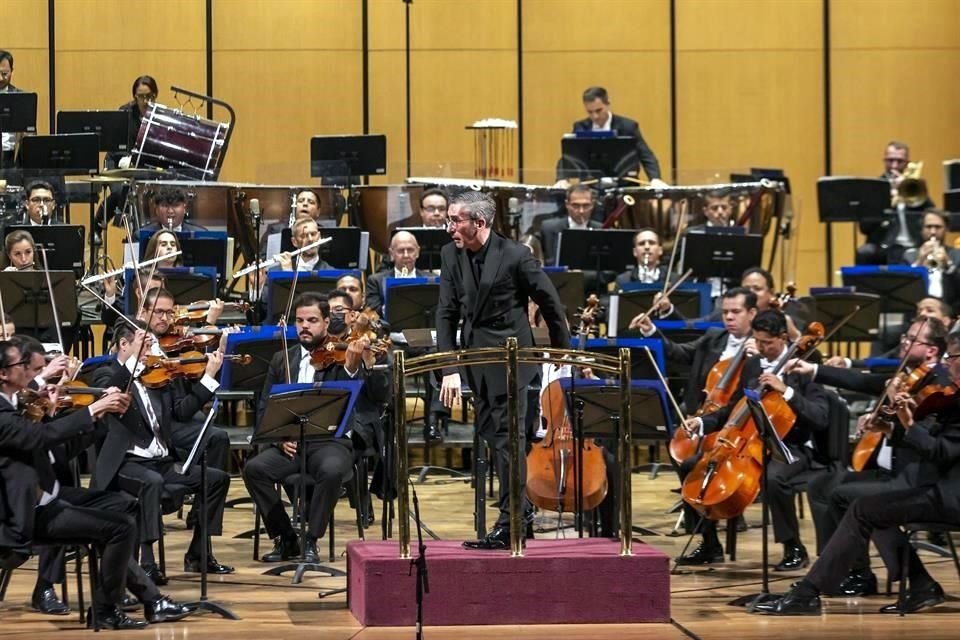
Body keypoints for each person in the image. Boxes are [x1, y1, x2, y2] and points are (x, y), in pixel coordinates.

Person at [752, 325, 960, 616]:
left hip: (948, 494)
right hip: (938, 486)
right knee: (870, 508)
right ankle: (919, 584)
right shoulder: (949, 394)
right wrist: (892, 427)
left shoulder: (951, 395)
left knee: (865, 508)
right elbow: (935, 444)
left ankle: (809, 593)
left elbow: (941, 452)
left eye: (953, 356)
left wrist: (908, 423)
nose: (948, 363)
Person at [436, 190, 571, 550]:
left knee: (508, 442)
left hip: (513, 360)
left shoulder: (515, 255)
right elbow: (446, 313)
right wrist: (450, 367)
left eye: (455, 220)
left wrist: (561, 349)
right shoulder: (451, 254)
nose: (448, 226)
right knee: (496, 439)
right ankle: (521, 512)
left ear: (478, 223)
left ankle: (511, 522)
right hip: (477, 361)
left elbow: (550, 302)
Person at [0, 339, 162, 629]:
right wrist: (91, 408)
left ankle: (144, 596)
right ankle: (107, 609)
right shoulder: (2, 414)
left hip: (48, 497)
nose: (31, 373)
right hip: (25, 514)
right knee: (118, 528)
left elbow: (55, 448)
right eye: (23, 366)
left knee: (124, 507)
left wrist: (94, 412)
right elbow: (38, 439)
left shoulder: (18, 405)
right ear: (3, 374)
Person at [677, 310, 830, 569]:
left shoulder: (804, 364)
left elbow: (819, 417)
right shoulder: (753, 364)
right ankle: (709, 544)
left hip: (792, 445)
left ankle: (794, 547)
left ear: (783, 337)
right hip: (748, 442)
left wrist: (787, 391)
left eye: (767, 343)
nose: (760, 348)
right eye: (757, 341)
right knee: (691, 465)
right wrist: (703, 422)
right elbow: (736, 406)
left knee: (773, 478)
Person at [91, 313, 232, 585]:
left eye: (152, 345)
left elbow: (182, 411)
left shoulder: (157, 377)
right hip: (125, 465)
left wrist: (209, 377)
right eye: (146, 344)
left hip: (160, 462)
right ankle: (147, 561)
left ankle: (199, 552)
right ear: (123, 345)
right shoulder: (107, 373)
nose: (152, 351)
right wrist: (134, 363)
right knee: (151, 483)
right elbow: (109, 387)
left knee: (216, 479)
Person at [242, 292, 368, 563]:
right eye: (299, 321)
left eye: (312, 320)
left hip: (330, 442)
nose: (304, 326)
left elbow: (361, 393)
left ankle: (311, 539)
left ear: (326, 322)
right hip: (293, 443)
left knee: (332, 470)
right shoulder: (281, 360)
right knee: (255, 469)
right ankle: (287, 538)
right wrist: (279, 439)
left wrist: (352, 367)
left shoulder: (340, 354)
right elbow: (266, 407)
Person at [571, 86, 667, 187]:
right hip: (591, 186)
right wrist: (561, 179)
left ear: (608, 105)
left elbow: (645, 155)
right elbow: (569, 155)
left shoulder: (627, 126)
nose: (595, 116)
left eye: (598, 110)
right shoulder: (580, 127)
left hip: (625, 184)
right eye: (590, 112)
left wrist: (655, 178)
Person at [856, 140, 932, 265]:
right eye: (890, 160)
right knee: (864, 252)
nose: (894, 166)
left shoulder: (915, 186)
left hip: (913, 245)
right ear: (884, 161)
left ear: (907, 163)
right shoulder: (874, 188)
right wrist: (886, 198)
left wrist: (914, 191)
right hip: (883, 246)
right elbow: (864, 228)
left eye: (899, 161)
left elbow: (931, 215)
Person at [903, 210, 960, 308]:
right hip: (916, 311)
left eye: (938, 227)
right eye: (928, 227)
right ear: (922, 229)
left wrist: (948, 265)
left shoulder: (957, 255)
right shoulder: (909, 255)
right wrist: (919, 261)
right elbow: (902, 288)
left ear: (946, 229)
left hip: (949, 312)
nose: (933, 232)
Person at [365, 231, 430, 315]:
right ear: (392, 253)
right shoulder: (376, 281)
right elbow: (372, 312)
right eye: (401, 250)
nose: (406, 255)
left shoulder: (431, 279)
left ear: (417, 252)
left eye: (410, 250)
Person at [538, 184, 602, 267]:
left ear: (592, 205)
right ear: (567, 204)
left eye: (586, 205)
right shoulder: (548, 228)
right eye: (575, 205)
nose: (581, 211)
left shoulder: (602, 229)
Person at [141, 187, 206, 233]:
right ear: (157, 209)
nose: (170, 211)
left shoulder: (201, 234)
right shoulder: (141, 235)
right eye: (165, 206)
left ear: (184, 209)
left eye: (175, 205)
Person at [0, 50, 22, 166]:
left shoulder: (21, 98)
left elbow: (30, 133)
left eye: (5, 74)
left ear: (12, 71)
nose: (0, 78)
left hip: (13, 160)